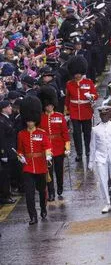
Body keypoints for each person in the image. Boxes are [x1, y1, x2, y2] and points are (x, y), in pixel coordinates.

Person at [16, 96, 51, 225]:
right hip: (28, 167)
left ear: (35, 120)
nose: (29, 123)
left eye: (31, 121)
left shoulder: (42, 133)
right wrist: (20, 156)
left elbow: (47, 146)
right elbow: (20, 150)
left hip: (41, 165)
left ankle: (43, 208)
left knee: (42, 191)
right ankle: (33, 216)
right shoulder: (21, 134)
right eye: (28, 121)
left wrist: (48, 155)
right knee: (29, 195)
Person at [38, 87, 70, 202]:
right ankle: (51, 192)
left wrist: (67, 147)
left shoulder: (59, 116)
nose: (49, 107)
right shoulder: (40, 118)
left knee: (59, 170)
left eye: (51, 105)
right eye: (47, 105)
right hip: (46, 150)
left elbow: (65, 133)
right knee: (48, 172)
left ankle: (60, 187)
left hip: (59, 147)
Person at [64, 56, 98, 163]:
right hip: (74, 112)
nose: (77, 75)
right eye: (75, 73)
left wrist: (91, 97)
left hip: (86, 110)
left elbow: (95, 95)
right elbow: (67, 99)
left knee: (87, 133)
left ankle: (88, 151)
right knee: (76, 134)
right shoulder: (69, 84)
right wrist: (67, 112)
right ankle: (79, 153)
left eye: (79, 73)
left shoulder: (89, 82)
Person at [0, 100, 17, 204]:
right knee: (5, 175)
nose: (11, 108)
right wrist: (3, 153)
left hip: (10, 151)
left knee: (9, 174)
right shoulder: (1, 121)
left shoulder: (6, 119)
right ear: (3, 109)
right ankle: (5, 196)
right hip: (5, 152)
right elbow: (1, 139)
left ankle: (8, 193)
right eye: (8, 106)